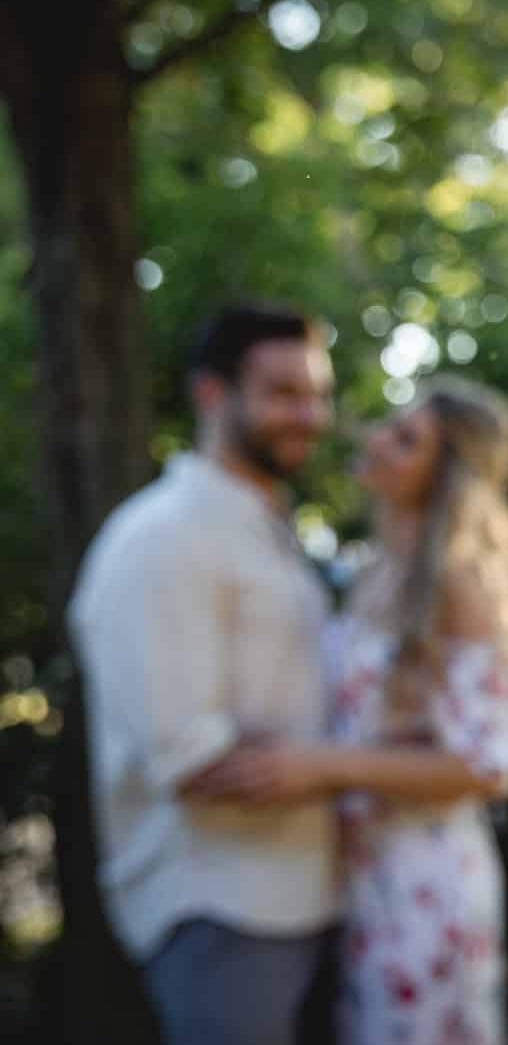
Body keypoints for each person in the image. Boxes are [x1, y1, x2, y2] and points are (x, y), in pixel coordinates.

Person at [191, 377, 508, 1045]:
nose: (376, 439)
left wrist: (321, 766)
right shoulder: (376, 570)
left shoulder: (458, 584)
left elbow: (492, 764)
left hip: (426, 886)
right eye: (390, 423)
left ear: (444, 477)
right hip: (362, 879)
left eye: (406, 440)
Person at [69, 302, 340, 1045]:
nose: (309, 414)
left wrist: (290, 752)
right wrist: (371, 764)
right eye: (284, 391)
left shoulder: (271, 533)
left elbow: (266, 734)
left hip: (306, 894)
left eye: (317, 393)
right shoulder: (162, 540)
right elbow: (195, 759)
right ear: (212, 394)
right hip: (221, 908)